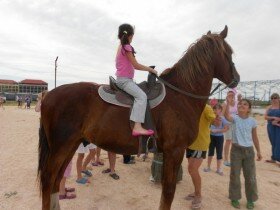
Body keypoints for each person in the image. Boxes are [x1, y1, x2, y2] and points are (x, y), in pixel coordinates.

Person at [115, 23, 157, 136]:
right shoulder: (127, 47)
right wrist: (150, 69)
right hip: (125, 81)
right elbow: (136, 65)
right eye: (132, 35)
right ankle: (137, 127)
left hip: (122, 79)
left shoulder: (120, 47)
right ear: (130, 36)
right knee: (142, 96)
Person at [224, 97, 262, 209]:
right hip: (236, 151)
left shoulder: (253, 121)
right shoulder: (235, 118)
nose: (241, 105)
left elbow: (255, 137)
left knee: (250, 176)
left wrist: (259, 151)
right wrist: (227, 103)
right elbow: (226, 116)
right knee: (235, 175)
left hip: (249, 152)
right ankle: (235, 198)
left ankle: (250, 199)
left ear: (249, 109)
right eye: (240, 104)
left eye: (245, 104)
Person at [185, 104, 216, 209]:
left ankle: (198, 195)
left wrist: (218, 117)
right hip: (190, 143)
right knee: (191, 170)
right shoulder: (189, 105)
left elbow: (214, 120)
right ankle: (196, 192)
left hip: (200, 143)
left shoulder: (206, 107)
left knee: (192, 169)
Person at [204, 103, 229, 176]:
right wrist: (209, 130)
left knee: (219, 153)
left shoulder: (223, 118)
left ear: (221, 110)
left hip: (219, 138)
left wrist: (217, 131)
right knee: (210, 152)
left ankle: (218, 169)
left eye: (218, 109)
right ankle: (208, 167)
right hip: (211, 137)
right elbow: (207, 125)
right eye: (214, 109)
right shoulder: (211, 117)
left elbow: (226, 128)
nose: (216, 110)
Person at [222, 89, 238, 166]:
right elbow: (222, 115)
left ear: (234, 95)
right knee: (228, 141)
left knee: (235, 142)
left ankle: (234, 159)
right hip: (228, 124)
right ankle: (226, 159)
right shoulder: (225, 104)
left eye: (232, 95)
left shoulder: (237, 103)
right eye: (229, 95)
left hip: (236, 124)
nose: (231, 96)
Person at [264, 93, 280, 164]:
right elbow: (265, 117)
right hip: (270, 126)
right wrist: (273, 118)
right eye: (272, 98)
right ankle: (273, 158)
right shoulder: (269, 107)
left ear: (278, 98)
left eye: (275, 98)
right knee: (273, 142)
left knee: (278, 142)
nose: (274, 99)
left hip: (278, 126)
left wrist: (277, 121)